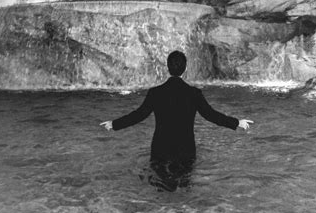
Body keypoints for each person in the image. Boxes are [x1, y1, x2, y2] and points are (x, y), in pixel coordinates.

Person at [101, 51, 253, 190]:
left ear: (167, 68)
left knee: (159, 187)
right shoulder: (194, 93)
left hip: (160, 149)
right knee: (184, 187)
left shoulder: (155, 93)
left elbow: (138, 115)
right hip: (185, 150)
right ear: (185, 68)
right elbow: (211, 115)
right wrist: (236, 122)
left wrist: (114, 124)